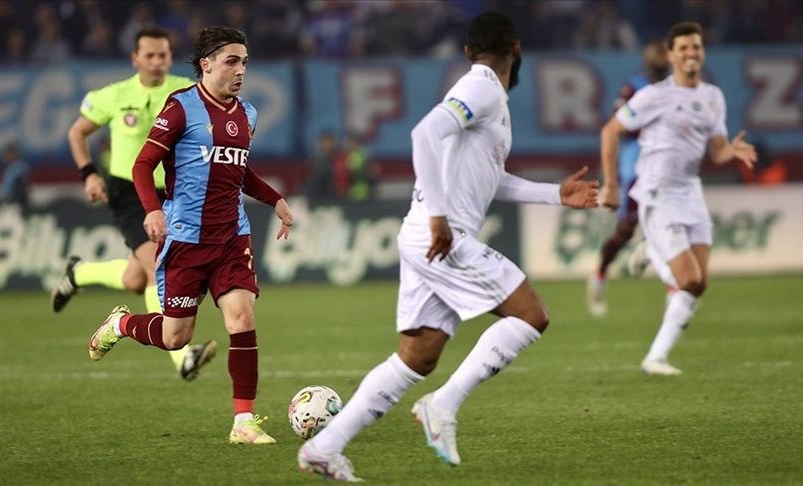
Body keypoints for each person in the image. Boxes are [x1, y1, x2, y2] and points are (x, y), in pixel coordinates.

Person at [297, 12, 598, 481]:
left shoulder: (486, 96)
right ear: (516, 49)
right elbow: (424, 134)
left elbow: (491, 179)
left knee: (418, 355)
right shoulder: (481, 87)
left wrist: (554, 194)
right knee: (531, 314)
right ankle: (443, 404)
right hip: (441, 234)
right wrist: (439, 216)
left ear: (468, 50)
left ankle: (322, 447)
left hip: (425, 234)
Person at [86, 27, 294, 445]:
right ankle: (121, 324)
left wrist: (274, 199)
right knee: (175, 337)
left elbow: (238, 171)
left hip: (231, 236)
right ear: (207, 64)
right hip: (185, 239)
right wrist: (152, 210)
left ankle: (243, 422)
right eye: (232, 61)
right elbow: (143, 165)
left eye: (245, 62)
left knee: (242, 316)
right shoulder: (180, 107)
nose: (240, 70)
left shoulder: (247, 114)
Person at [51, 27, 216, 381]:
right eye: (149, 55)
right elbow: (77, 133)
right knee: (158, 266)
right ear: (135, 59)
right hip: (128, 191)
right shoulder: (114, 95)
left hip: (170, 193)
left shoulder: (185, 92)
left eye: (163, 55)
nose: (157, 62)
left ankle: (78, 273)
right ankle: (182, 358)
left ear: (170, 58)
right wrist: (89, 174)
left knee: (134, 278)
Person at [599, 21, 756, 376]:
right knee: (687, 279)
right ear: (671, 55)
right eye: (683, 48)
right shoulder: (654, 95)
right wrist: (610, 186)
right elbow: (610, 130)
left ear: (702, 52)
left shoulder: (712, 96)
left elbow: (717, 151)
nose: (691, 53)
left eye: (696, 47)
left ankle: (655, 358)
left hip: (690, 191)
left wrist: (731, 151)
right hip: (659, 190)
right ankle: (651, 253)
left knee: (699, 283)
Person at [587, 40, 669, 317]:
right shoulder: (634, 88)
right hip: (636, 166)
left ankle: (676, 292)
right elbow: (618, 125)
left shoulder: (678, 90)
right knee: (626, 229)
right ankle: (599, 274)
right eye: (656, 53)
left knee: (669, 226)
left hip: (666, 167)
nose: (660, 58)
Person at [0, 141, 31, 210]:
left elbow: (23, 188)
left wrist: (17, 202)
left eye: (8, 153)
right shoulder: (7, 170)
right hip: (7, 203)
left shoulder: (21, 168)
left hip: (16, 205)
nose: (5, 156)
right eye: (5, 154)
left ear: (15, 154)